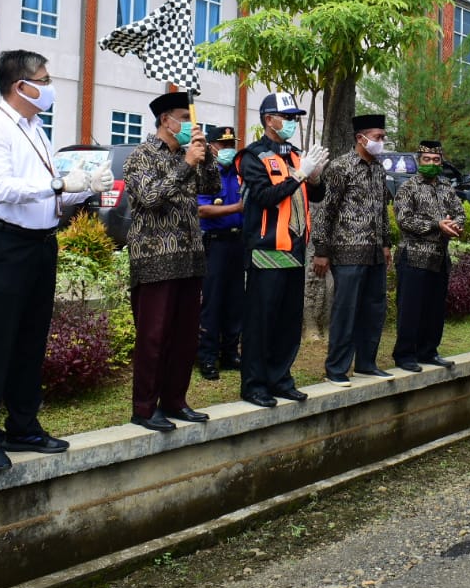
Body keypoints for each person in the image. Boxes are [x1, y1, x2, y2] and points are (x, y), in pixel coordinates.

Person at [0, 50, 112, 472]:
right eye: (44, 80)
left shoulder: (36, 129)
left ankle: (23, 425)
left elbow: (52, 191)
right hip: (6, 246)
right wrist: (57, 182)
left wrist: (83, 187)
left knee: (31, 339)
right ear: (21, 86)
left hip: (41, 244)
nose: (49, 88)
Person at [124, 92, 220, 432]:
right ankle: (145, 408)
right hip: (154, 259)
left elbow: (212, 187)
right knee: (153, 336)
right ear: (166, 120)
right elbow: (150, 198)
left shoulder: (189, 154)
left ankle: (175, 401)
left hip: (190, 256)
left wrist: (204, 157)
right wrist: (187, 165)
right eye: (184, 117)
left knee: (184, 337)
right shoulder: (141, 155)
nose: (190, 125)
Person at [236, 92, 329, 408]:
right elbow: (265, 196)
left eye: (294, 117)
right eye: (286, 117)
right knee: (262, 321)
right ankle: (254, 384)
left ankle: (280, 378)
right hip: (266, 250)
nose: (291, 122)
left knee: (289, 322)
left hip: (295, 250)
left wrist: (314, 178)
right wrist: (301, 174)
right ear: (268, 120)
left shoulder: (296, 156)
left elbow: (312, 197)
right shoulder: (253, 156)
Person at [311, 113, 392, 386]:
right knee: (345, 311)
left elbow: (382, 210)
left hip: (374, 253)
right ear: (361, 138)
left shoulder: (379, 168)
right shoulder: (340, 167)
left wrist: (386, 244)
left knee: (374, 309)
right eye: (378, 137)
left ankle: (367, 364)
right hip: (346, 251)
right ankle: (336, 369)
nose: (382, 141)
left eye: (383, 137)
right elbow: (325, 212)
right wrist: (321, 251)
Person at [392, 139, 465, 373]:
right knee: (410, 309)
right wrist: (437, 225)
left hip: (439, 258)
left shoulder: (446, 186)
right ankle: (405, 355)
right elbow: (404, 220)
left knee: (434, 310)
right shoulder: (408, 187)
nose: (432, 163)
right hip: (413, 257)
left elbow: (459, 212)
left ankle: (428, 351)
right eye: (427, 159)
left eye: (436, 160)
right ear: (418, 160)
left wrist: (456, 225)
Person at [196, 124, 245, 381]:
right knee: (212, 303)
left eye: (231, 145)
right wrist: (238, 207)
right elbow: (201, 210)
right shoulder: (205, 172)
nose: (228, 149)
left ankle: (230, 353)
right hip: (214, 244)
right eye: (223, 145)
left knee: (235, 301)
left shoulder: (238, 172)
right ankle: (207, 356)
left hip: (238, 243)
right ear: (212, 147)